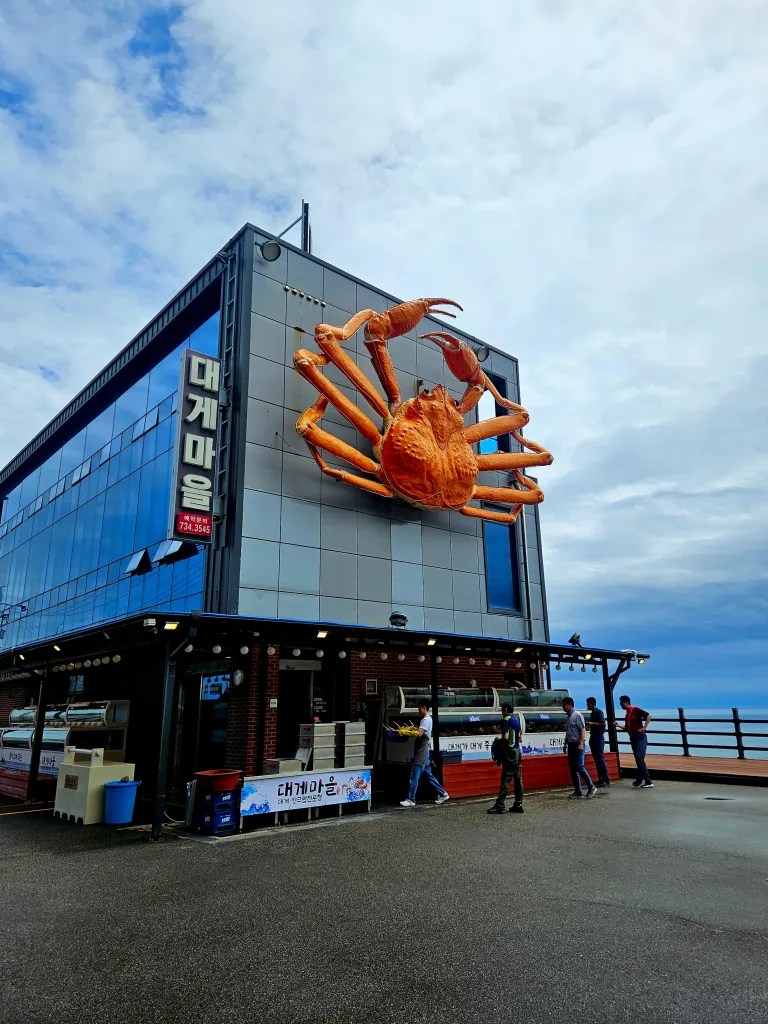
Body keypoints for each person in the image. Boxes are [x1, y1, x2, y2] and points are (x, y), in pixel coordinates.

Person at [399, 702, 450, 807]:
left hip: (421, 753)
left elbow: (419, 734)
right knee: (429, 775)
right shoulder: (426, 719)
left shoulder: (426, 720)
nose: (418, 710)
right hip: (424, 752)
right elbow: (420, 730)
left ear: (424, 708)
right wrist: (412, 728)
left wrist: (405, 732)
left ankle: (411, 799)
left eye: (419, 708)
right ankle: (443, 794)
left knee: (414, 775)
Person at [487, 702, 524, 814]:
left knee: (506, 778)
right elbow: (520, 738)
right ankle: (518, 804)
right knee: (518, 779)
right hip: (518, 751)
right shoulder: (516, 720)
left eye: (502, 710)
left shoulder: (506, 720)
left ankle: (500, 805)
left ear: (506, 710)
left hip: (510, 752)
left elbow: (505, 737)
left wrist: (498, 741)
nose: (502, 713)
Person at [562, 697, 596, 799]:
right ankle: (578, 791)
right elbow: (568, 732)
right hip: (571, 744)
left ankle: (591, 786)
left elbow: (582, 730)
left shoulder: (577, 715)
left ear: (569, 704)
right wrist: (565, 743)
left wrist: (581, 743)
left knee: (579, 766)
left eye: (564, 705)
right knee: (573, 768)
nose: (563, 707)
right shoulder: (568, 717)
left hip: (577, 744)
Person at [617, 695, 653, 788]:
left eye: (621, 703)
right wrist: (618, 725)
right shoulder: (627, 715)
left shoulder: (635, 709)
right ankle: (641, 780)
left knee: (639, 757)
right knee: (638, 759)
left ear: (626, 702)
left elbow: (648, 716)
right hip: (632, 737)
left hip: (640, 737)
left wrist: (644, 727)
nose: (620, 705)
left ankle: (647, 781)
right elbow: (627, 728)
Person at [586, 696, 610, 787]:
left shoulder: (598, 712)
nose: (587, 705)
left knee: (600, 759)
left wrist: (593, 723)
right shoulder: (593, 712)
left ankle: (605, 779)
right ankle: (601, 778)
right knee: (596, 759)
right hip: (594, 736)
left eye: (588, 703)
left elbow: (603, 723)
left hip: (598, 737)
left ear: (592, 703)